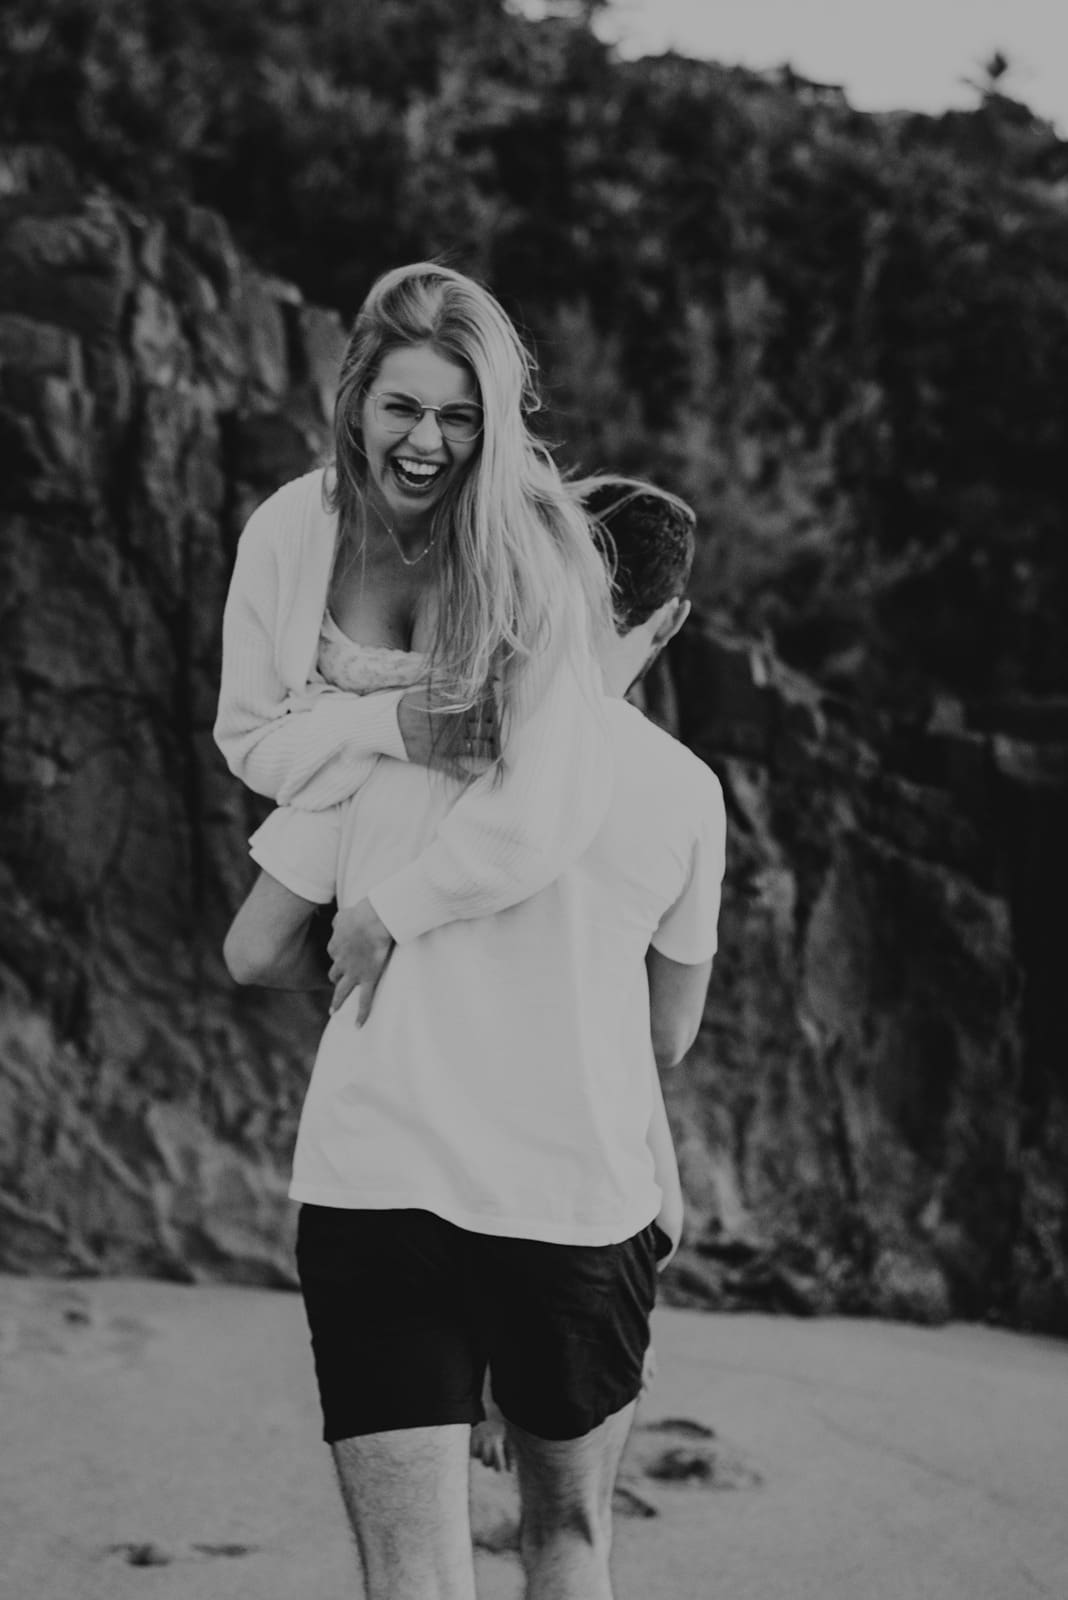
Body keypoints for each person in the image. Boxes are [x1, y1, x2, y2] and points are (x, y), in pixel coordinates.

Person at [225, 477, 726, 1600]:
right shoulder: (685, 791)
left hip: (380, 1184)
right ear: (669, 620)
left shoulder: (404, 724)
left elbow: (254, 949)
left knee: (413, 1574)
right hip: (573, 1203)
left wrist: (387, 965)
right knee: (569, 1539)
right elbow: (667, 1032)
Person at [214, 260, 616, 1018]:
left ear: (491, 424)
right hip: (350, 794)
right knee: (254, 950)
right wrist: (388, 726)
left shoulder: (528, 555)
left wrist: (391, 913)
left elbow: (541, 786)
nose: (426, 442)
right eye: (402, 407)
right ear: (356, 400)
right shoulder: (289, 530)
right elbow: (247, 743)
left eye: (459, 417)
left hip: (483, 821)